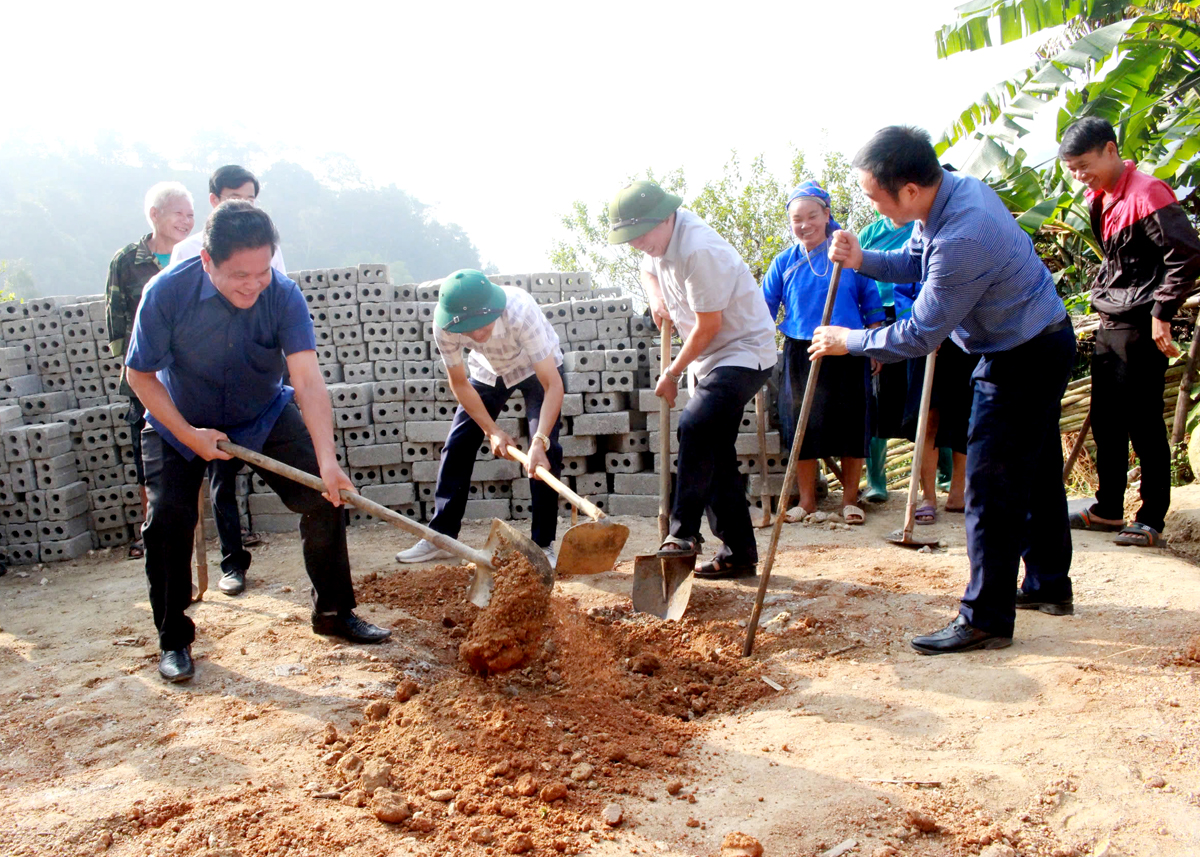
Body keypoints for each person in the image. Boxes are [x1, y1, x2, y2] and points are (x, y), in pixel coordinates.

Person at [810, 125, 1075, 655]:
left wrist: (850, 341)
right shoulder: (948, 196)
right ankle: (1048, 585)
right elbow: (915, 263)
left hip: (1020, 354)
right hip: (1038, 338)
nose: (873, 207)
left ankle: (985, 618)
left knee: (989, 487)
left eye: (874, 196)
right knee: (1038, 471)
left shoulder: (964, 233)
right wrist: (862, 260)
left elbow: (919, 333)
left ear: (908, 188)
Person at [125, 201, 389, 683]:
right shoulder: (165, 294)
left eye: (262, 271)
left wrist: (328, 461)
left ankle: (333, 612)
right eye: (238, 274)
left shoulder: (283, 295)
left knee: (324, 495)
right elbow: (140, 376)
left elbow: (307, 381)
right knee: (167, 522)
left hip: (260, 413)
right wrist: (188, 435)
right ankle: (173, 638)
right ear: (207, 261)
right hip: (179, 422)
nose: (252, 284)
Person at [608, 180, 777, 579]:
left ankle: (682, 534)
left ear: (667, 217)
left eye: (639, 235)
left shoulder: (698, 248)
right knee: (714, 451)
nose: (637, 244)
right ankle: (739, 553)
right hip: (709, 359)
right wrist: (655, 297)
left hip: (742, 351)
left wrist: (672, 372)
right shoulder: (657, 242)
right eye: (628, 238)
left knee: (695, 426)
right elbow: (647, 267)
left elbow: (709, 327)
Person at [1059, 117, 1200, 547]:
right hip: (1111, 322)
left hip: (1140, 325)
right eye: (1073, 169)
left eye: (1085, 164)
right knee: (1107, 420)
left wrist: (1162, 312)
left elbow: (1188, 255)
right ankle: (1108, 508)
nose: (1081, 175)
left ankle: (1152, 517)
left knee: (1142, 420)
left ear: (1110, 149)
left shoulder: (1147, 192)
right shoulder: (1102, 198)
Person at [395, 269, 565, 567]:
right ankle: (441, 536)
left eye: (481, 324)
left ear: (495, 308)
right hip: (488, 372)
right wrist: (492, 430)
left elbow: (552, 385)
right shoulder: (445, 325)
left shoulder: (520, 311)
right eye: (468, 328)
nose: (476, 334)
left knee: (546, 452)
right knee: (458, 444)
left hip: (536, 368)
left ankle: (542, 545)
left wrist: (539, 441)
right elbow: (459, 383)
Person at [170, 165, 288, 595]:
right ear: (214, 200)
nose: (253, 283)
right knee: (208, 488)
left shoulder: (269, 257)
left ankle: (333, 609)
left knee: (304, 481)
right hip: (194, 394)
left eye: (252, 199)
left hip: (253, 387)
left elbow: (283, 317)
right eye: (237, 196)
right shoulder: (184, 259)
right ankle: (230, 564)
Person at [762, 182, 884, 525]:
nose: (804, 225)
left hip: (848, 345)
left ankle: (850, 500)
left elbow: (872, 304)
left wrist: (874, 343)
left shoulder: (847, 255)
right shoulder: (784, 262)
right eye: (796, 219)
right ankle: (808, 502)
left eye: (811, 216)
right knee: (802, 424)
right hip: (803, 349)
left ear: (826, 215)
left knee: (851, 422)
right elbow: (763, 311)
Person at [106, 181, 195, 560]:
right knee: (152, 459)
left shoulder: (199, 254)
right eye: (179, 213)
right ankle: (153, 530)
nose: (186, 222)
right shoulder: (127, 261)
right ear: (155, 215)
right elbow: (116, 325)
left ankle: (226, 533)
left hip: (191, 377)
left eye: (191, 215)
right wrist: (140, 370)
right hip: (145, 378)